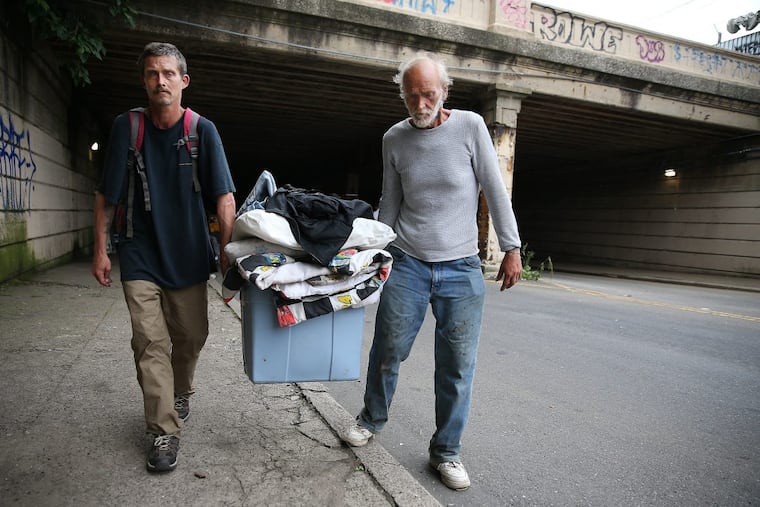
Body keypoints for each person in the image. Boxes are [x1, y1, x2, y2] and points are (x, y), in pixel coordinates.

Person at [340, 52, 523, 491]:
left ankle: (446, 452)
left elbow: (495, 190)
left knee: (457, 365)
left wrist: (512, 246)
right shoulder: (394, 139)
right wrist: (373, 251)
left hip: (461, 266)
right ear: (402, 95)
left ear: (444, 92)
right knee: (388, 349)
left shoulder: (471, 126)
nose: (420, 105)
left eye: (428, 95)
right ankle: (371, 419)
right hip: (407, 260)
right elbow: (391, 200)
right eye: (411, 97)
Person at [92, 42, 236, 473]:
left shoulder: (202, 130)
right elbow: (107, 196)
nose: (161, 81)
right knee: (149, 343)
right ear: (144, 81)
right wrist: (101, 249)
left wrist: (227, 254)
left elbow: (224, 197)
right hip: (139, 254)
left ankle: (181, 391)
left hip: (190, 254)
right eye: (153, 74)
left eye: (169, 73)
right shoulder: (127, 127)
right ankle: (163, 432)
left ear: (183, 81)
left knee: (191, 337)